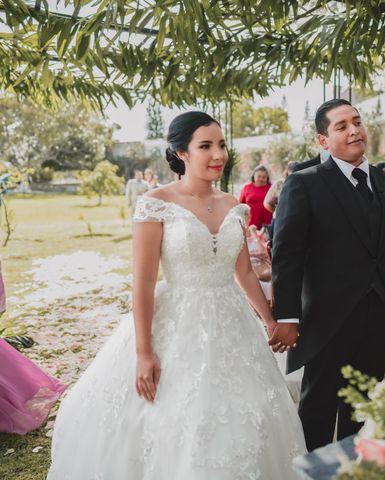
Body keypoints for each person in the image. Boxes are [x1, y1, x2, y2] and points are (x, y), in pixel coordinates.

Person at [48, 112, 305, 480]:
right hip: (177, 323)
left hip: (232, 323)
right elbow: (143, 281)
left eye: (221, 145)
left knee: (248, 413)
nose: (218, 154)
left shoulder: (235, 205)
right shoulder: (156, 203)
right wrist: (143, 352)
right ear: (181, 153)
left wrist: (268, 321)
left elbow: (244, 272)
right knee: (171, 417)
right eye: (206, 146)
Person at [270, 99, 385, 451]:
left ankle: (357, 470)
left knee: (363, 406)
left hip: (379, 313)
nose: (354, 130)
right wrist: (287, 316)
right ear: (323, 140)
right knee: (318, 407)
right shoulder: (305, 184)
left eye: (357, 122)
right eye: (342, 126)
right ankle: (313, 472)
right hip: (326, 320)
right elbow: (287, 256)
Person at [263, 161, 299, 238]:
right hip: (279, 221)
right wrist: (279, 212)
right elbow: (267, 203)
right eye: (292, 174)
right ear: (287, 172)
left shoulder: (304, 183)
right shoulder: (279, 184)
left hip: (298, 221)